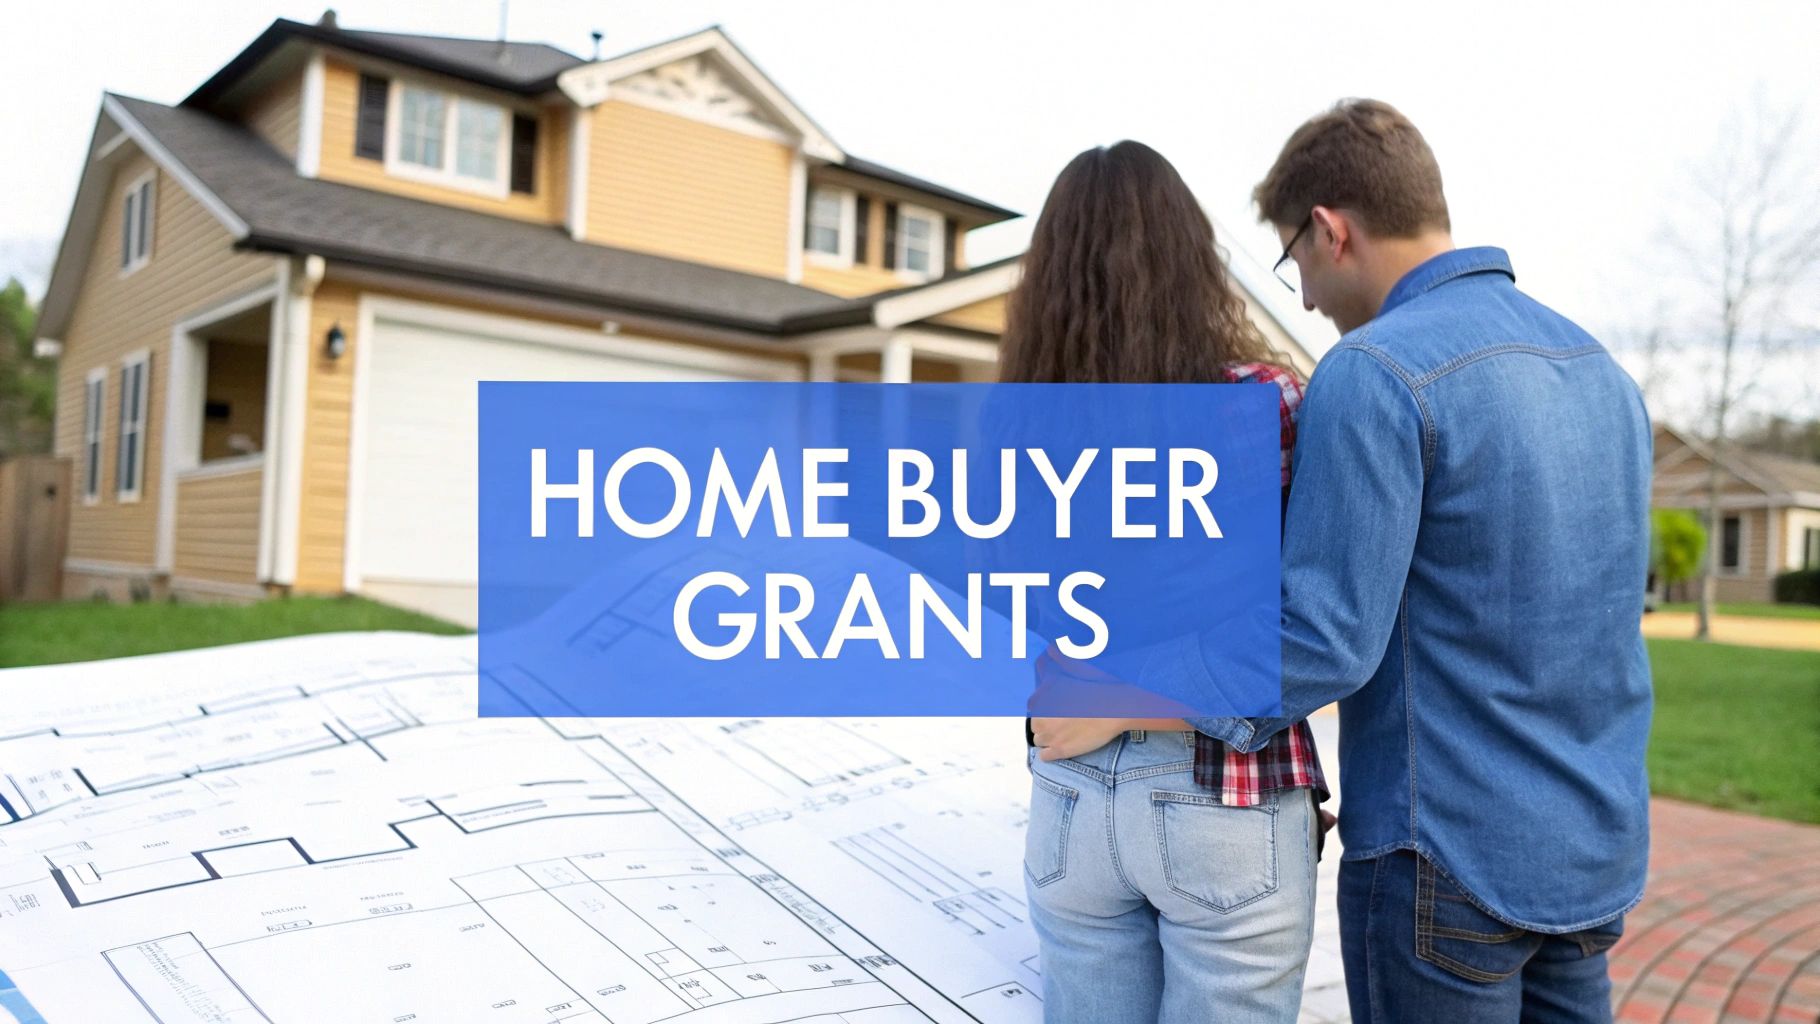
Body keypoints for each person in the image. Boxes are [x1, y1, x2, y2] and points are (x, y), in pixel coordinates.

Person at [1033, 100, 1653, 1024]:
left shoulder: (1376, 371)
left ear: (1330, 231)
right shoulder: (1604, 373)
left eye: (1296, 263)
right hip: (1592, 848)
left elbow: (1321, 638)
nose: (1309, 298)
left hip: (1441, 856)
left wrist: (1122, 693)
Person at [1007, 139, 1328, 1024]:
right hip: (1226, 789)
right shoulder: (1265, 402)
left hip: (1069, 794)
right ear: (1193, 261)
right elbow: (1314, 621)